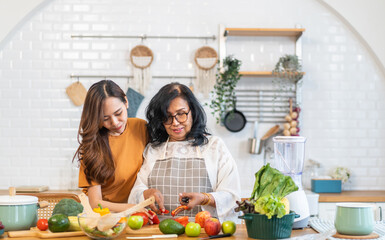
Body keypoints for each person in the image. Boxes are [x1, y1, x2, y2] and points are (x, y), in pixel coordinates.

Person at [128, 82, 241, 223]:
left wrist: (205, 198)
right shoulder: (153, 150)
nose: (175, 122)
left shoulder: (214, 146)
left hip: (203, 234)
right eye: (167, 117)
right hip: (160, 233)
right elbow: (135, 193)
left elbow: (232, 196)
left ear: (193, 112)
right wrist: (145, 194)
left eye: (181, 114)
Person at [73, 80, 148, 212]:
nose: (114, 122)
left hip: (138, 212)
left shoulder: (141, 127)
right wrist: (133, 208)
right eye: (105, 118)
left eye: (118, 113)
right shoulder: (92, 145)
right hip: (104, 216)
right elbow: (95, 203)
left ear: (126, 101)